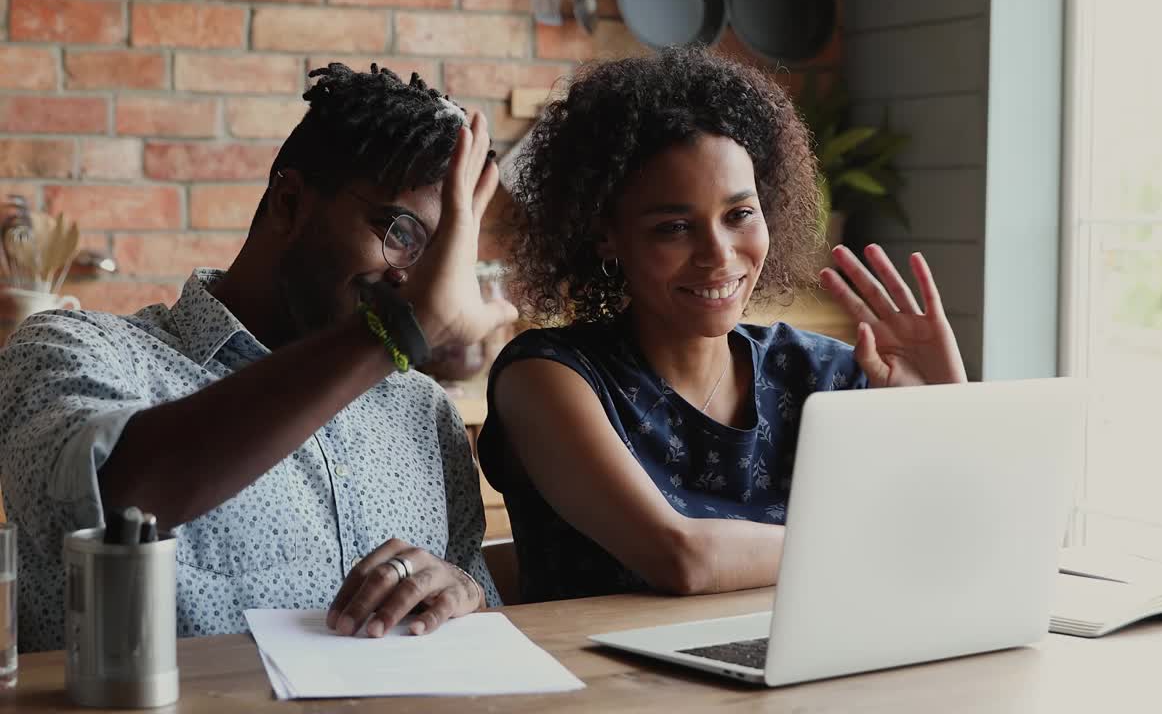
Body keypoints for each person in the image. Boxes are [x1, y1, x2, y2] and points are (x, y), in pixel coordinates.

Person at [0, 63, 518, 652]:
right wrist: (398, 332)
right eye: (400, 232)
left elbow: (470, 608)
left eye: (443, 255)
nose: (420, 280)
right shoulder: (73, 349)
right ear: (289, 201)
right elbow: (106, 509)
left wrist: (460, 592)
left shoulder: (424, 411)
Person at [477, 48, 969, 604]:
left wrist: (946, 413)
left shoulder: (822, 375)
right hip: (601, 683)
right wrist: (875, 538)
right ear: (605, 235)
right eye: (674, 227)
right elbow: (681, 558)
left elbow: (952, 541)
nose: (718, 254)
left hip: (788, 672)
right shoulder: (549, 378)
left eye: (739, 215)